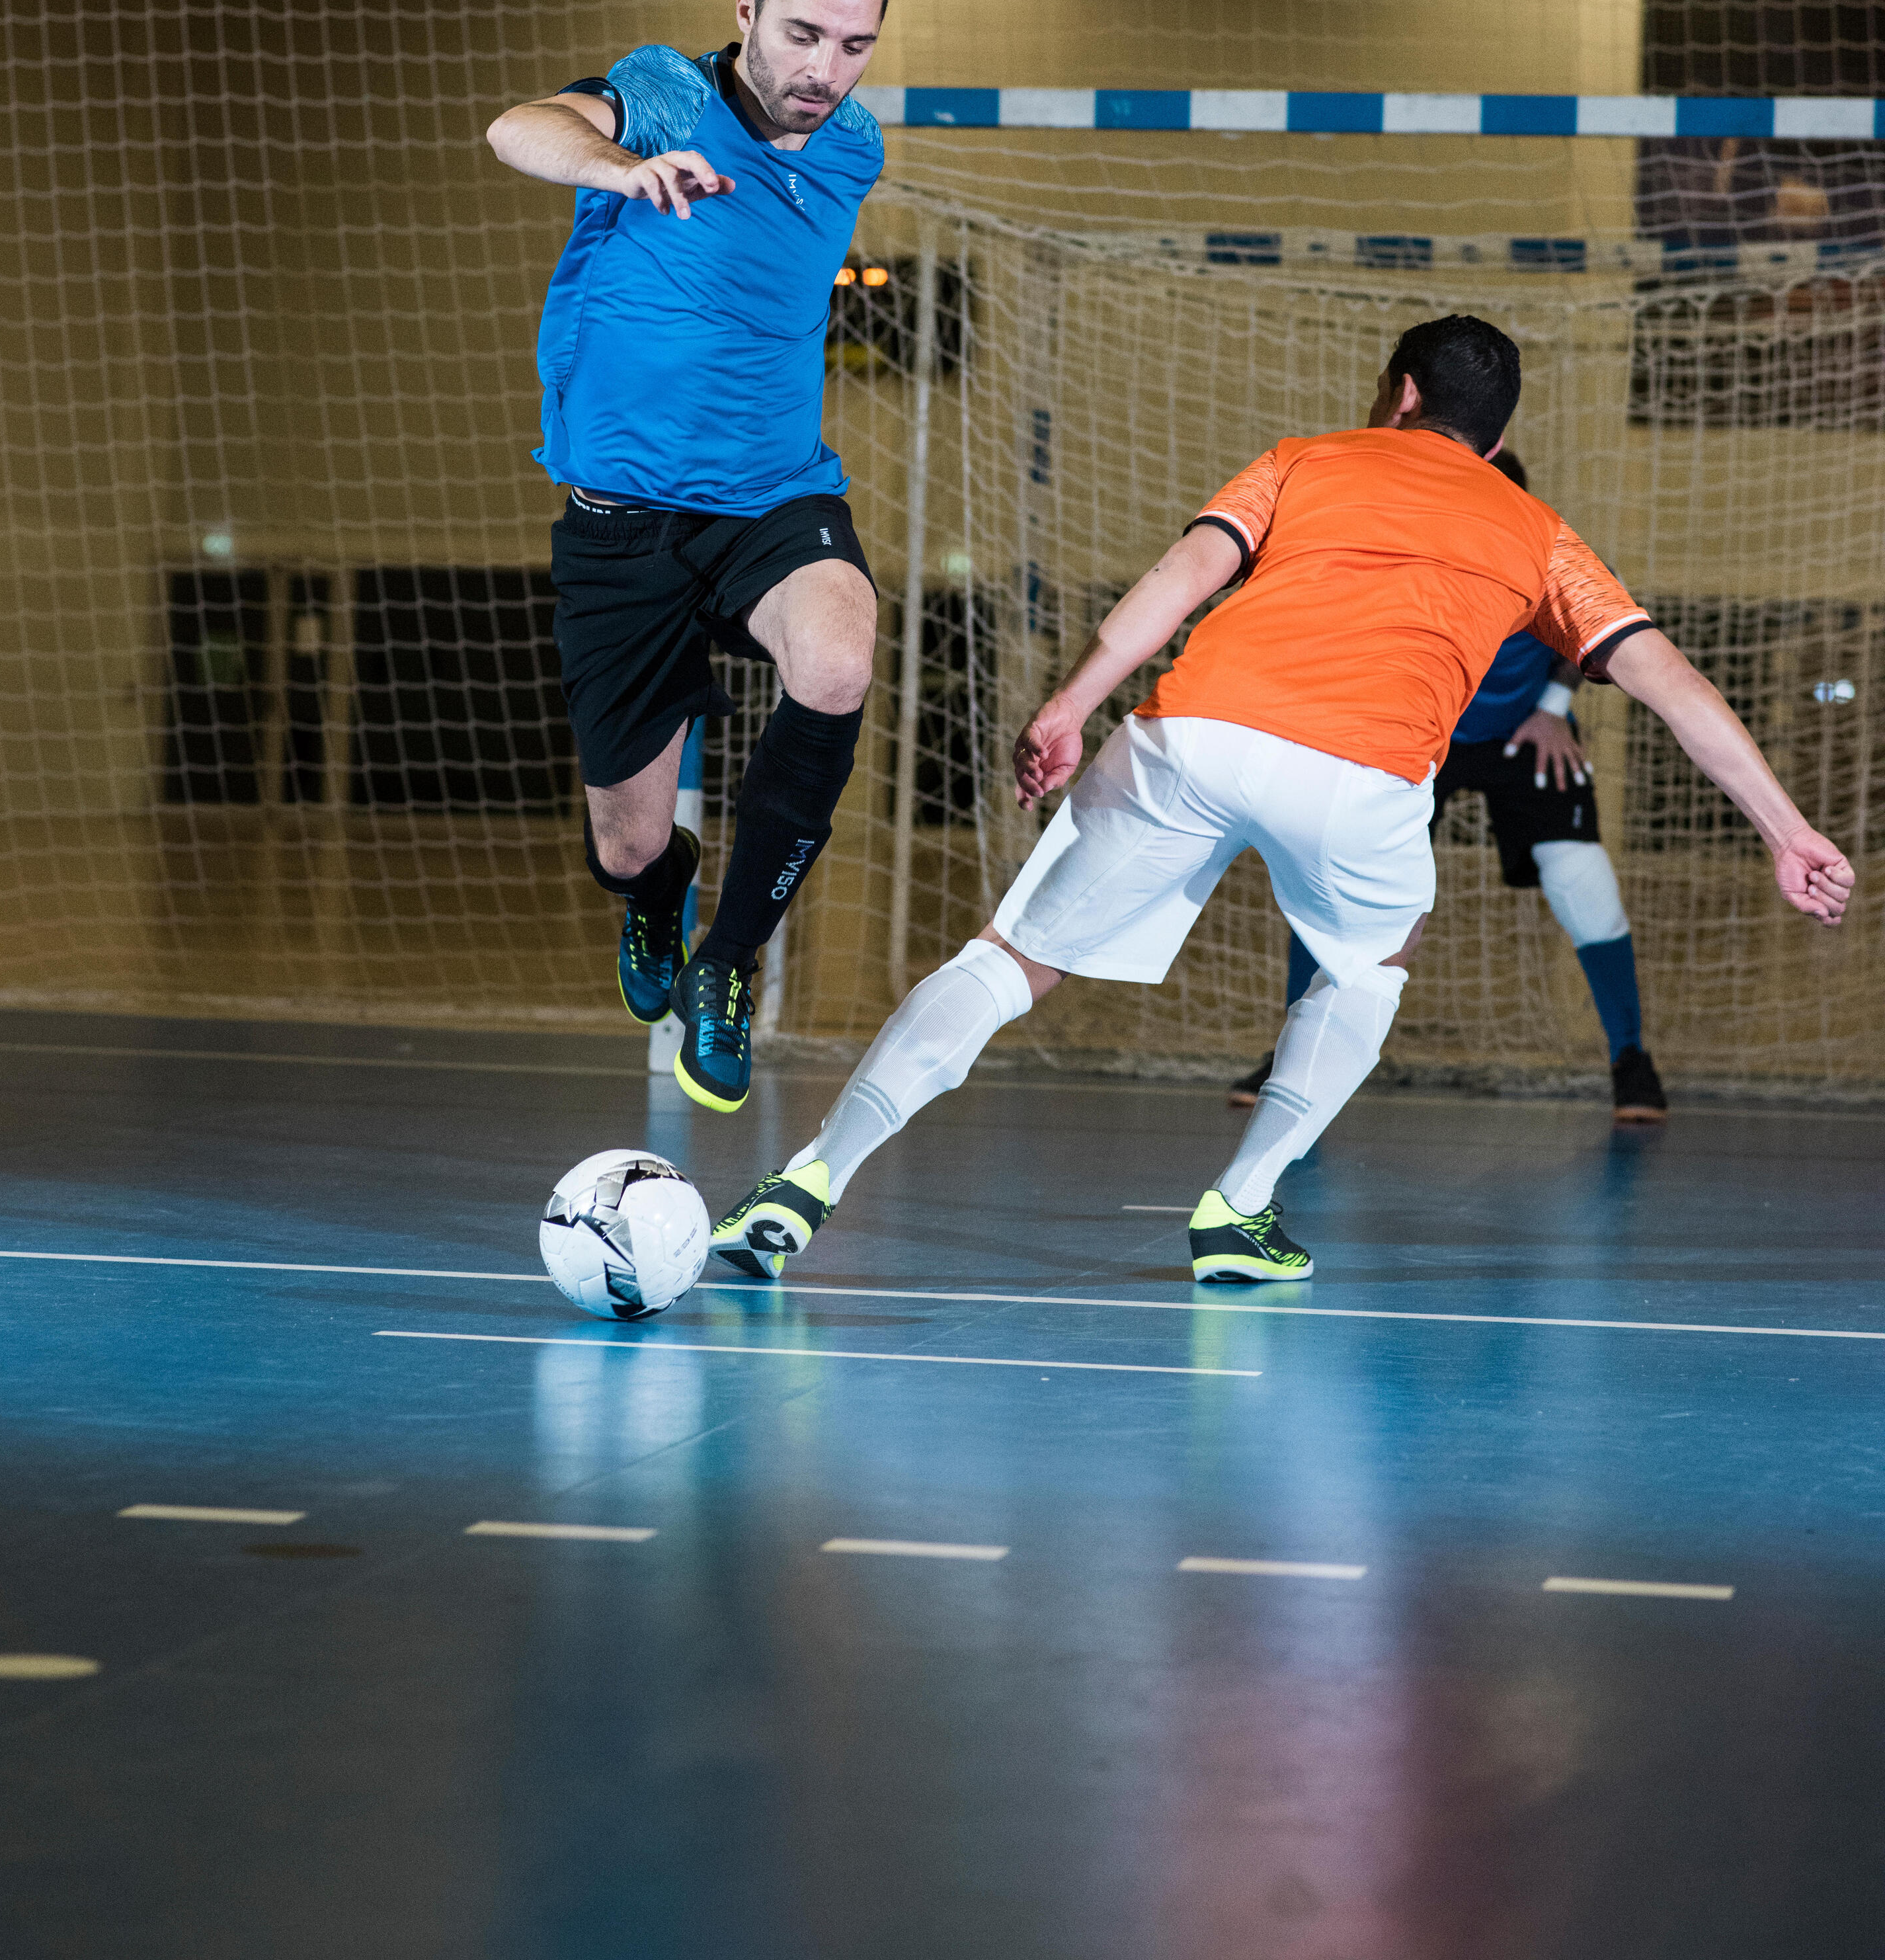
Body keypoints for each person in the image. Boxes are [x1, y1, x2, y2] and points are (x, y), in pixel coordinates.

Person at [710, 315, 1851, 1282]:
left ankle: (809, 1178)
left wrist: (1070, 703)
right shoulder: (1542, 533)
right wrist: (1787, 828)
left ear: (1400, 395)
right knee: (1376, 954)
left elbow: (1180, 578)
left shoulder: (1302, 458)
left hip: (1191, 735)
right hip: (1360, 780)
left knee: (1009, 958)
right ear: (1498, 435)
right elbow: (1674, 684)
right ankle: (1239, 1207)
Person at [486, 0, 889, 1113]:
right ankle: (661, 892)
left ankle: (729, 960)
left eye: (858, 44)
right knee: (624, 844)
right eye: (807, 33)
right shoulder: (662, 93)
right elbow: (518, 128)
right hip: (619, 521)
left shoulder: (853, 147)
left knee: (839, 654)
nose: (826, 70)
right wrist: (621, 166)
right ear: (748, 15)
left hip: (771, 500)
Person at [1228, 447, 1669, 1125]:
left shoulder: (1547, 543)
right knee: (1340, 881)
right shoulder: (1409, 547)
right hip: (1419, 732)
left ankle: (1632, 1057)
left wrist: (1553, 708)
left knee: (1580, 878)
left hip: (1526, 732)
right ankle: (1294, 1053)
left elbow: (1607, 627)